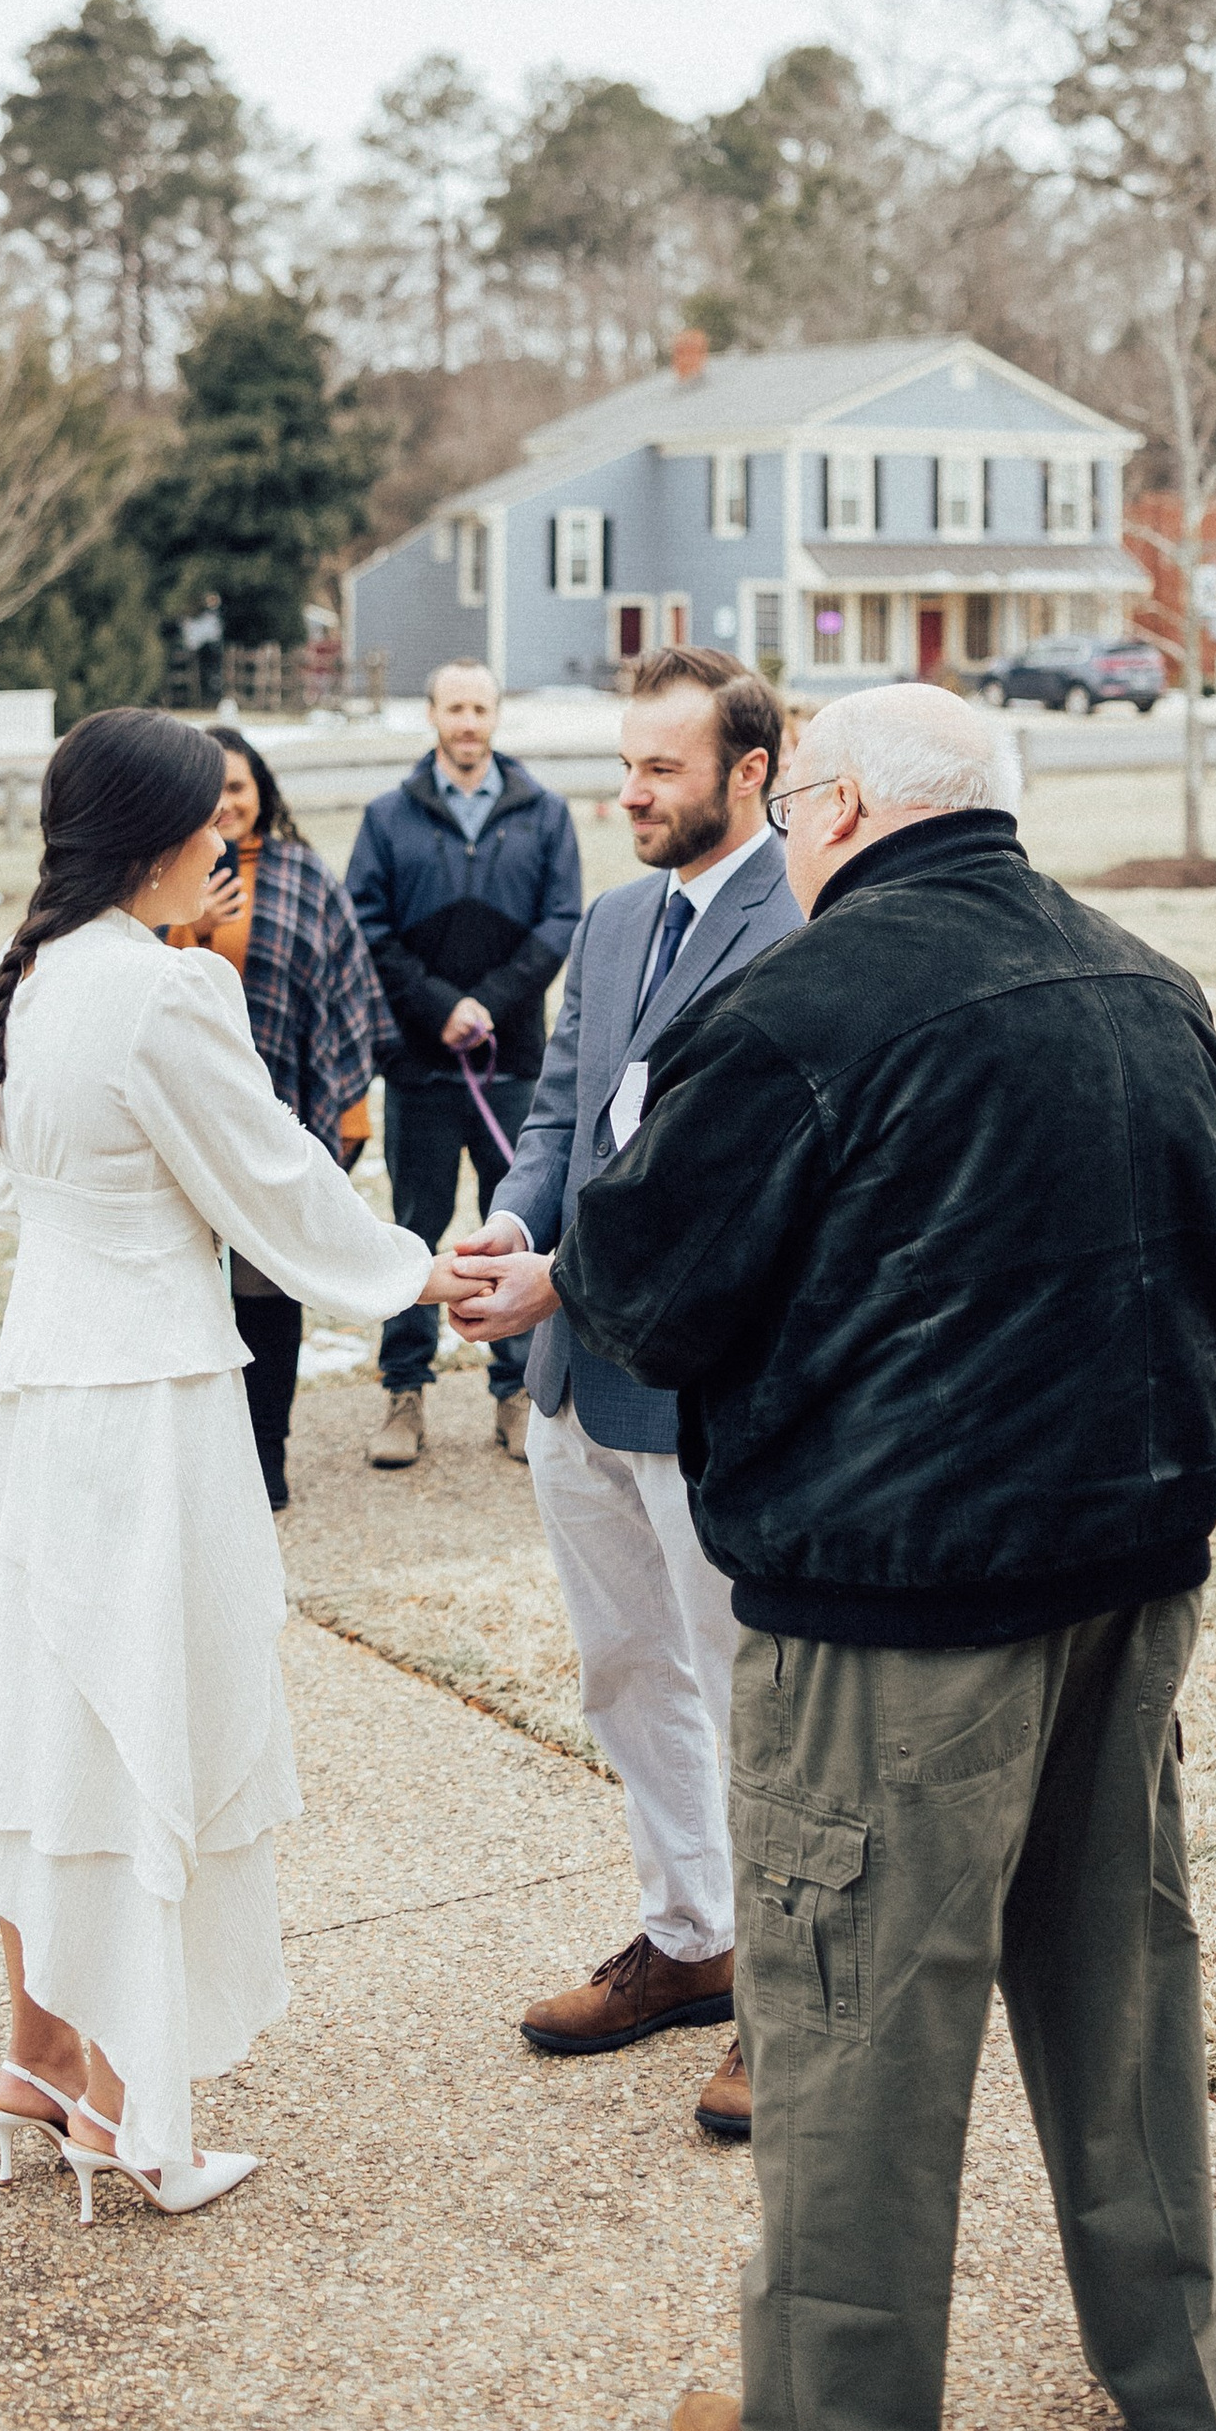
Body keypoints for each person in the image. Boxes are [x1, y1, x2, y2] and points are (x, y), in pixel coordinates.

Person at [550, 682, 1216, 2431]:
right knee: (1123, 1992)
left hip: (895, 1610)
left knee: (857, 2027)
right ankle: (1181, 2378)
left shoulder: (790, 1015)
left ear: (838, 805)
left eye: (797, 815)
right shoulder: (1146, 984)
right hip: (1131, 1581)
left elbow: (641, 1287)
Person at [0, 708, 476, 2215]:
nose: (228, 847)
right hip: (151, 1399)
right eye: (207, 827)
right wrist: (415, 1274)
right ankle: (122, 2112)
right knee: (143, 1727)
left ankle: (38, 2059)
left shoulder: (24, 982)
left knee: (60, 1721)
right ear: (156, 842)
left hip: (43, 1399)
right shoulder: (169, 993)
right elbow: (277, 1184)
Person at [448, 648, 798, 2131]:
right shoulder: (608, 921)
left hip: (706, 1385)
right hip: (573, 1380)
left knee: (748, 1698)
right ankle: (690, 1937)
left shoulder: (804, 927)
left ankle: (791, 2004)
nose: (631, 793)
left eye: (662, 768)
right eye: (626, 764)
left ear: (753, 775)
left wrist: (565, 1269)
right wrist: (517, 1225)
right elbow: (559, 1113)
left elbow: (720, 1180)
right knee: (622, 1672)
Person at [344, 658, 581, 1469]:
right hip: (419, 1068)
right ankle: (403, 1392)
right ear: (433, 714)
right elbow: (368, 928)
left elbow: (559, 923)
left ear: (497, 714)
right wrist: (440, 1006)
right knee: (414, 1227)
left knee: (508, 1229)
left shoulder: (544, 814)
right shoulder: (388, 818)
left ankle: (513, 1391)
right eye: (455, 707)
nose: (469, 722)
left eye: (481, 707)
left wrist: (493, 1003)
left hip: (513, 1066)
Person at [160, 725, 392, 1508]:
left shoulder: (303, 874)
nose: (225, 803)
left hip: (277, 1113)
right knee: (187, 1295)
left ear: (260, 790)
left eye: (237, 786)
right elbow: (140, 988)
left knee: (266, 1291)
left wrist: (346, 1110)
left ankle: (267, 1456)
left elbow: (346, 990)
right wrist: (186, 929)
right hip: (183, 1121)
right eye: (209, 789)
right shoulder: (158, 881)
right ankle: (199, 1458)